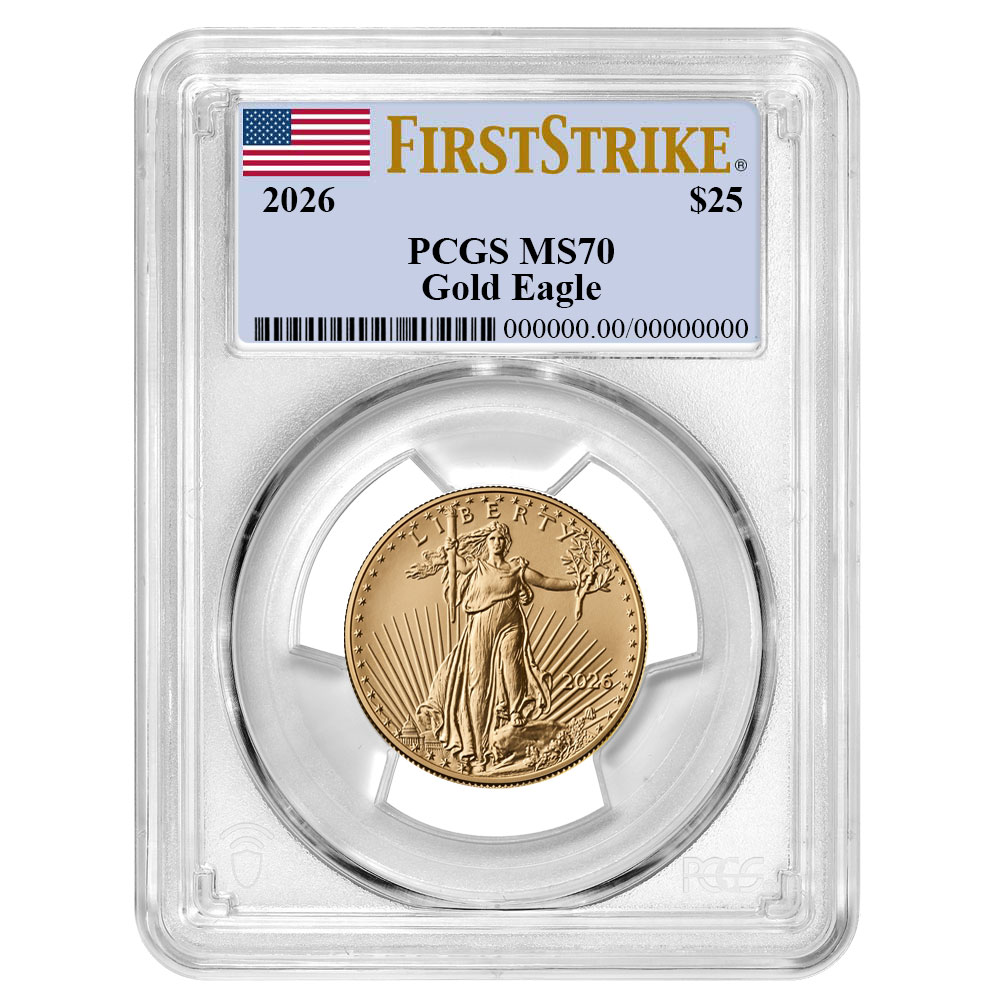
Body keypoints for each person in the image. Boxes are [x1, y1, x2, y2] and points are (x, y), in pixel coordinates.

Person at [409, 522, 578, 771]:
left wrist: (575, 583)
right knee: (479, 683)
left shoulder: (516, 568)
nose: (497, 542)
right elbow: (456, 563)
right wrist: (450, 549)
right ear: (486, 542)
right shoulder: (476, 566)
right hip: (481, 625)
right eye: (493, 538)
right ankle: (477, 748)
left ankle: (515, 711)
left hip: (511, 623)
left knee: (512, 665)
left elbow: (546, 581)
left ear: (506, 543)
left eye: (501, 539)